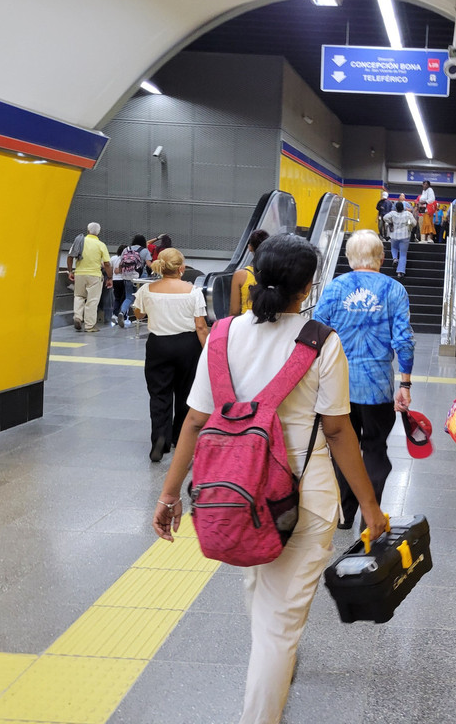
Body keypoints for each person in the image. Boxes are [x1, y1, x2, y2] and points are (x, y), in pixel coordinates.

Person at [152, 233, 387, 724]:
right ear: (307, 289)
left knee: (262, 595)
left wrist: (171, 493)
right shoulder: (321, 342)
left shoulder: (221, 335)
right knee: (278, 628)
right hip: (303, 495)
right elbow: (341, 431)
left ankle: (274, 669)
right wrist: (369, 505)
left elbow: (194, 421)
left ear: (256, 277)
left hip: (236, 493)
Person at [313, 229, 415, 529]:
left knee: (341, 446)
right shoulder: (394, 290)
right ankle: (371, 514)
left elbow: (316, 334)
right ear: (382, 258)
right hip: (377, 387)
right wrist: (405, 383)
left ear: (349, 257)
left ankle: (345, 514)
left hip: (337, 386)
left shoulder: (334, 288)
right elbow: (404, 340)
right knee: (374, 448)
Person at [132, 248, 209, 462]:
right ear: (181, 269)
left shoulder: (148, 290)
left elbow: (138, 314)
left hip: (158, 345)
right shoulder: (193, 291)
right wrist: (209, 353)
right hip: (188, 346)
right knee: (185, 394)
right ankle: (179, 438)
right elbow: (201, 326)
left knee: (159, 394)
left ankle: (160, 438)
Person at [70, 222, 112, 332]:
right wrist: (110, 277)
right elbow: (107, 264)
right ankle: (89, 326)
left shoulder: (79, 241)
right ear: (99, 232)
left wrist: (70, 271)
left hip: (79, 273)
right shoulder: (101, 245)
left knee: (79, 296)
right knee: (92, 300)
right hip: (94, 275)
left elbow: (70, 256)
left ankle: (77, 317)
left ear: (87, 230)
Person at [230, 229, 270, 316]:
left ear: (250, 247)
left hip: (246, 323)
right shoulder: (275, 273)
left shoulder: (240, 275)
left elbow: (234, 311)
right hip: (269, 322)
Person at [118, 234, 153, 325]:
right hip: (140, 277)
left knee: (129, 297)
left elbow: (121, 262)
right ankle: (139, 318)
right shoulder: (145, 251)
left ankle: (122, 312)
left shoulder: (126, 249)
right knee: (141, 297)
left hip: (127, 276)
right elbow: (149, 264)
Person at [384, 201, 416, 278]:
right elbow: (414, 223)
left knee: (394, 248)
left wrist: (390, 222)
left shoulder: (392, 213)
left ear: (396, 208)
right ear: (403, 207)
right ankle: (400, 272)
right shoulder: (408, 214)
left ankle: (395, 258)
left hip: (394, 235)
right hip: (405, 235)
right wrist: (409, 224)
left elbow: (384, 217)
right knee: (403, 254)